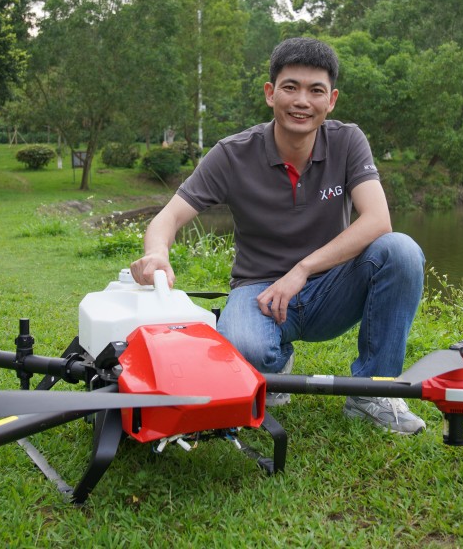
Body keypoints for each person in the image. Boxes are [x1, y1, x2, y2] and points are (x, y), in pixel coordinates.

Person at [129, 37, 426, 435]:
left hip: (329, 289)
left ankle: (373, 393)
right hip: (260, 291)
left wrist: (303, 269)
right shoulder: (233, 153)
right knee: (248, 350)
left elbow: (377, 221)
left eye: (315, 90)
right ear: (271, 93)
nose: (302, 100)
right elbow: (168, 217)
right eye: (290, 87)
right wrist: (156, 255)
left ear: (331, 99)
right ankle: (274, 358)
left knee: (400, 251)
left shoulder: (347, 140)